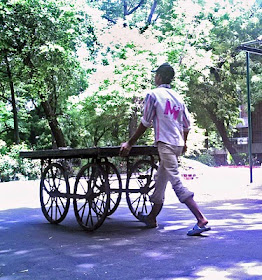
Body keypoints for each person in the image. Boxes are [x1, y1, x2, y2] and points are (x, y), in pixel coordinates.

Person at [120, 63, 211, 236]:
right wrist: (184, 143)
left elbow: (145, 122)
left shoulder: (153, 95)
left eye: (156, 75)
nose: (155, 78)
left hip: (166, 143)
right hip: (176, 144)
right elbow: (186, 125)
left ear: (159, 77)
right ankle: (152, 217)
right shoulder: (178, 97)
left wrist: (129, 143)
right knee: (161, 179)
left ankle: (201, 219)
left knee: (176, 181)